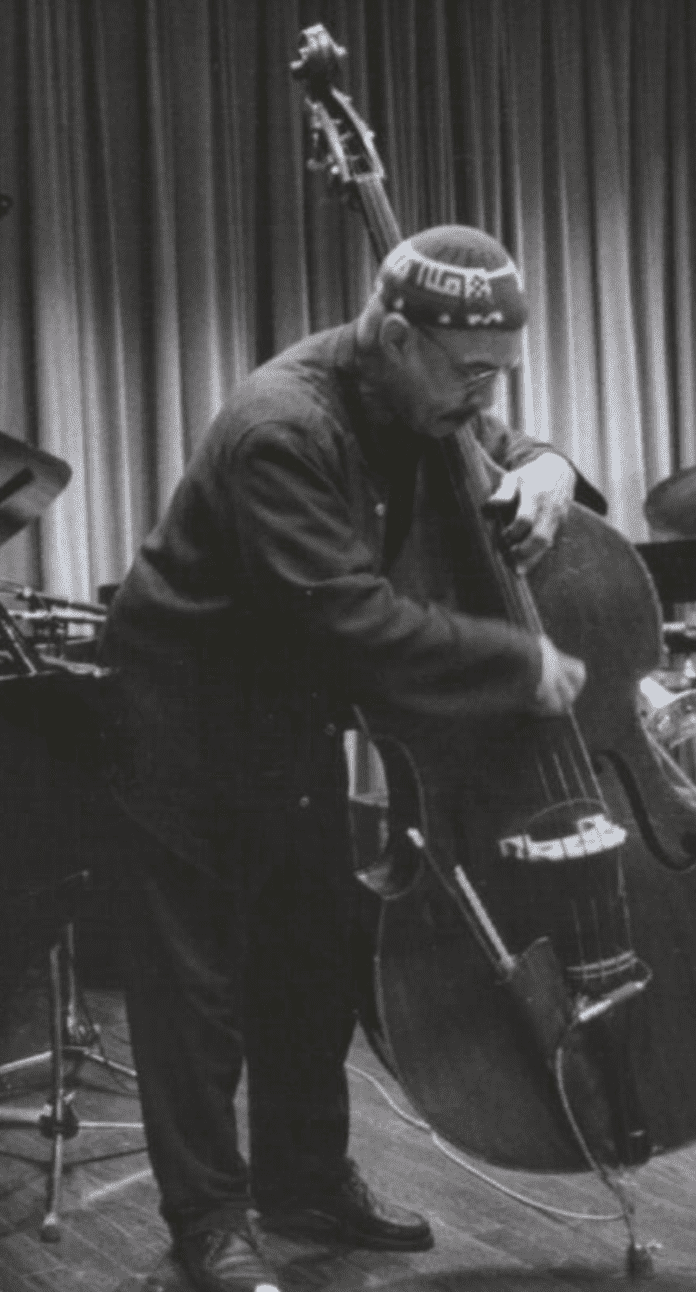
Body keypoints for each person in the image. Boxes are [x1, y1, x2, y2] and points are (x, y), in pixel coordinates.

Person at [98, 226, 600, 1292]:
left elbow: (497, 451)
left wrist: (550, 467)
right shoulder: (278, 427)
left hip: (285, 709)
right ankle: (208, 1222)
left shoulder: (421, 397)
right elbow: (351, 619)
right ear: (396, 333)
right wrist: (517, 661)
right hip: (180, 710)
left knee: (310, 957)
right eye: (471, 373)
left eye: (497, 375)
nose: (483, 394)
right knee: (196, 986)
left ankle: (306, 1180)